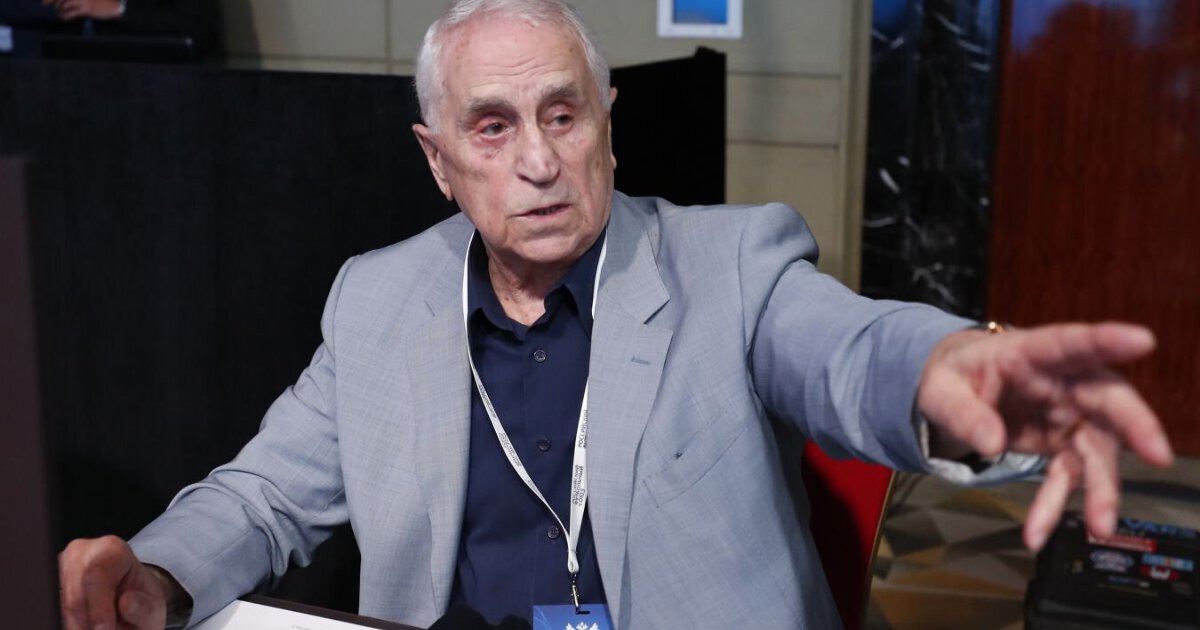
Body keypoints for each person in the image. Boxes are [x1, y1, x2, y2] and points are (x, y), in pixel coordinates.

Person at [57, 0, 1174, 628]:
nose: (540, 162)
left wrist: (941, 371)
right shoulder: (379, 298)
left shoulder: (733, 263)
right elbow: (262, 498)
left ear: (608, 122)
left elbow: (845, 350)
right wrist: (157, 573)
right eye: (493, 129)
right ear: (439, 162)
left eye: (563, 114)